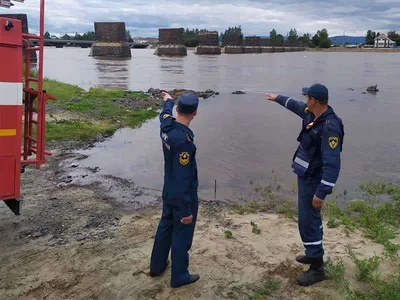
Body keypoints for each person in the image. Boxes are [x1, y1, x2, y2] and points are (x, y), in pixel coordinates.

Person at [266, 83, 344, 286]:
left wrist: (322, 192)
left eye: (307, 96)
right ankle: (312, 253)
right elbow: (294, 105)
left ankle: (317, 268)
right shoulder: (312, 114)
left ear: (314, 101)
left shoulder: (330, 127)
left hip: (314, 181)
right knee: (305, 219)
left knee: (309, 221)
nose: (304, 99)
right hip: (305, 174)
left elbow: (332, 163)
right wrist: (277, 98)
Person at [150, 91, 200, 288]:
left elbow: (164, 113)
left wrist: (168, 101)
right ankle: (179, 276)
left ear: (178, 109)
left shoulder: (166, 126)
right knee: (181, 235)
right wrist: (187, 210)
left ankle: (157, 266)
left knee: (165, 228)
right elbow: (183, 178)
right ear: (195, 113)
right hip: (181, 196)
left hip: (168, 190)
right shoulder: (183, 142)